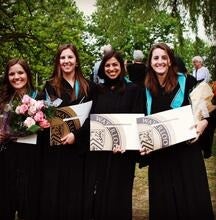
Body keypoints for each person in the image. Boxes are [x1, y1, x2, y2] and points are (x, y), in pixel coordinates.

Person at [140, 43, 214, 219]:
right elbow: (140, 122)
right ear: (150, 62)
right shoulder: (144, 90)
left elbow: (206, 112)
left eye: (164, 57)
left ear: (170, 60)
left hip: (187, 156)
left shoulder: (187, 82)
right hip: (160, 159)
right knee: (164, 206)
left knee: (192, 204)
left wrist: (203, 124)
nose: (160, 61)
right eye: (156, 58)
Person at [83, 50, 145, 220]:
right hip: (99, 153)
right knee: (99, 194)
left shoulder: (134, 90)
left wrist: (126, 143)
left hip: (123, 154)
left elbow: (137, 118)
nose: (111, 68)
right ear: (103, 68)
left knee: (120, 195)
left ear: (122, 66)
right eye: (108, 65)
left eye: (115, 65)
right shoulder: (97, 91)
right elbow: (90, 117)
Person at [38, 43, 93, 220]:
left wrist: (76, 136)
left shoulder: (88, 87)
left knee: (77, 196)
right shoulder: (49, 87)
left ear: (76, 61)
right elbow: (39, 114)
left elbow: (94, 116)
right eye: (62, 58)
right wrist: (42, 121)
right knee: (56, 194)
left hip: (79, 150)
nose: (66, 61)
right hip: (56, 151)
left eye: (70, 57)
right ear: (58, 62)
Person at [0, 58, 41, 220]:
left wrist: (40, 125)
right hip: (7, 159)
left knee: (29, 206)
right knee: (5, 204)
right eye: (12, 74)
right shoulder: (3, 100)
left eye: (20, 72)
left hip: (32, 160)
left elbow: (44, 129)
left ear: (27, 74)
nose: (16, 77)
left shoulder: (39, 97)